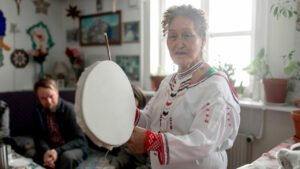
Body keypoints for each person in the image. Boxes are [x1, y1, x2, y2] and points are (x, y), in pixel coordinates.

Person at [126, 5, 240, 169]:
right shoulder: (168, 82)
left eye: (187, 35)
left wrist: (153, 141)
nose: (179, 43)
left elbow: (204, 141)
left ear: (202, 41)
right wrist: (126, 111)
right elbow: (150, 119)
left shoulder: (215, 85)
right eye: (173, 36)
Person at [33, 77, 88, 169]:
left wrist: (57, 151)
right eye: (43, 98)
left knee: (67, 157)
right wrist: (47, 151)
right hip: (51, 148)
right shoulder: (37, 111)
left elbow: (80, 139)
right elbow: (39, 138)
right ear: (38, 98)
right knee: (32, 154)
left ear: (57, 92)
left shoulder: (70, 109)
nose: (49, 101)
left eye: (51, 96)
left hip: (72, 148)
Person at [110, 84, 151, 169]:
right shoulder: (125, 127)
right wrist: (113, 166)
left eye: (135, 111)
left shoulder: (153, 130)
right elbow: (126, 153)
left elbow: (152, 165)